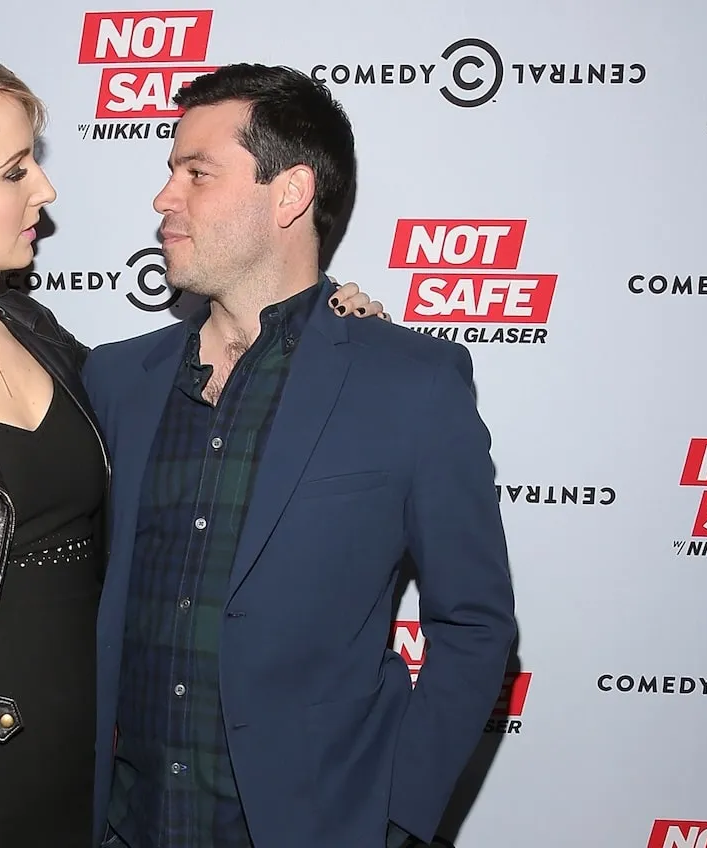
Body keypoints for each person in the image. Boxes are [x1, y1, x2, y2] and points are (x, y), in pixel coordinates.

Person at [0, 46, 383, 848]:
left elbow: (199, 380)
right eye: (14, 170)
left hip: (85, 774)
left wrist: (318, 321)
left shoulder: (41, 336)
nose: (46, 190)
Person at [85, 64, 518, 848]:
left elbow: (475, 625)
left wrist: (398, 816)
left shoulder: (409, 384)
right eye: (168, 170)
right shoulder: (114, 380)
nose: (163, 198)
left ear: (289, 195)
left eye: (197, 173)